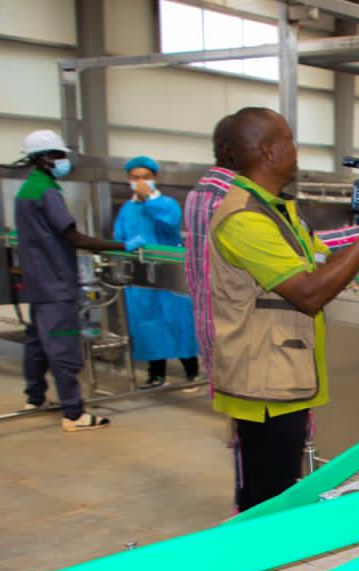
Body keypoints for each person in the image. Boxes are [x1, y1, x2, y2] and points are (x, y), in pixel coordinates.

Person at [209, 107, 359, 510]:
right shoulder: (244, 218)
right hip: (263, 383)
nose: (296, 150)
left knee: (279, 488)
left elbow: (320, 264)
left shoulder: (276, 209)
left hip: (284, 375)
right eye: (290, 140)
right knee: (269, 500)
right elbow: (309, 293)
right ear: (268, 150)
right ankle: (260, 569)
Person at [16, 129, 124, 431]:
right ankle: (73, 413)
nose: (65, 161)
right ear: (47, 158)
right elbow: (73, 236)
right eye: (61, 155)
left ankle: (34, 398)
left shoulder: (27, 189)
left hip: (37, 282)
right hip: (55, 282)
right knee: (63, 346)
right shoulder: (47, 191)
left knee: (36, 343)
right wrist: (121, 246)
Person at [113, 155, 199, 388]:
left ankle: (193, 372)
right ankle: (156, 374)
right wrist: (127, 246)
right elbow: (119, 237)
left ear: (155, 178)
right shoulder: (127, 209)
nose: (140, 181)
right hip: (142, 274)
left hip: (169, 271)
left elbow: (170, 223)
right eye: (135, 178)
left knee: (178, 321)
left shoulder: (166, 203)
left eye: (145, 177)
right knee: (148, 322)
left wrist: (150, 198)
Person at [183, 115, 238, 387]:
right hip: (240, 335)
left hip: (211, 326)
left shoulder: (199, 192)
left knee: (238, 417)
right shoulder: (235, 198)